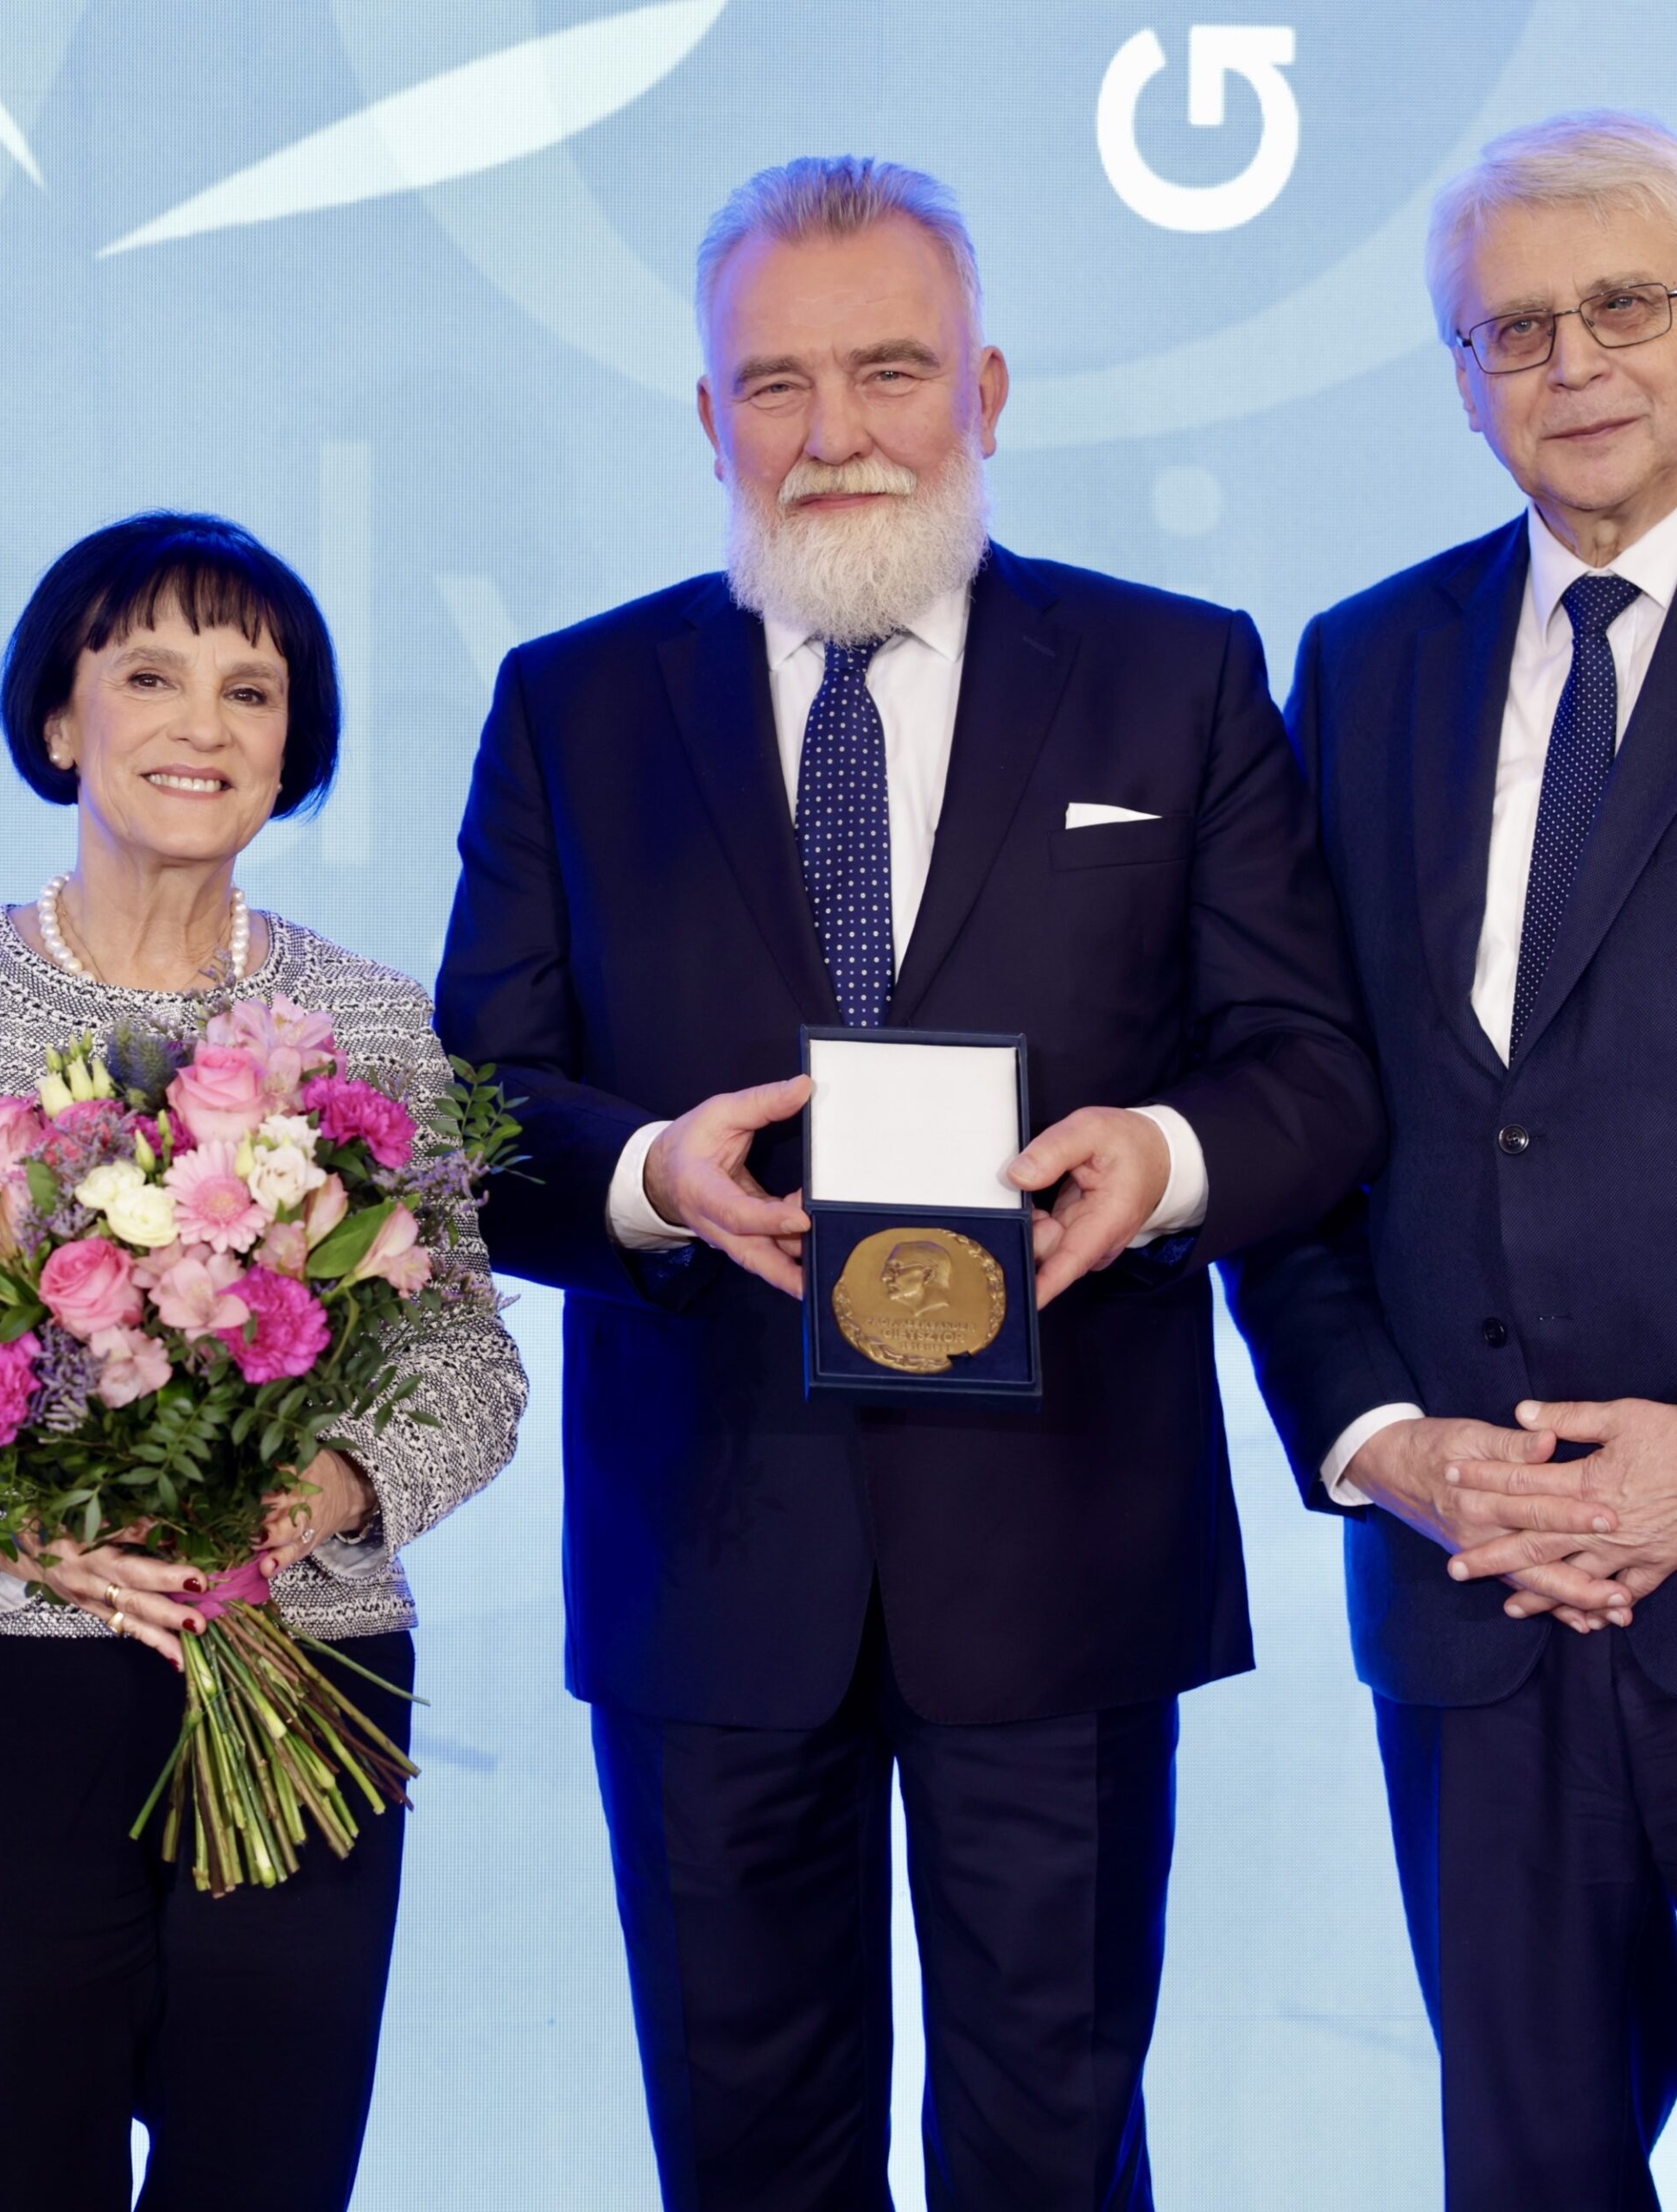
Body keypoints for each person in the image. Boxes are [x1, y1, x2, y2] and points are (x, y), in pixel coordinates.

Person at [435, 157, 1383, 2210]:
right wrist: (643, 1180)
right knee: (743, 2146)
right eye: (772, 382)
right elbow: (475, 1109)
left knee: (1051, 2140)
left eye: (888, 368)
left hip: (1061, 1548)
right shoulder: (572, 706)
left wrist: (1160, 1155)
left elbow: (1310, 1074)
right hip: (710, 1552)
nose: (834, 429)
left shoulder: (1175, 674)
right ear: (704, 418)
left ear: (989, 386)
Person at [0, 510, 527, 2212]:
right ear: (60, 719)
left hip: (307, 1664)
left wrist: (339, 1482)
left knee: (264, 2175)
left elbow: (465, 1361)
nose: (198, 722)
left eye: (249, 686)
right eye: (147, 671)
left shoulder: (366, 1016)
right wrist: (4, 1522)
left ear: (294, 748)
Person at [1227, 111, 1677, 2208]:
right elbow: (1293, 1117)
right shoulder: (1360, 664)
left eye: (1622, 305)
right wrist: (1384, 1436)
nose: (1570, 361)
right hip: (1468, 1592)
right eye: (1512, 327)